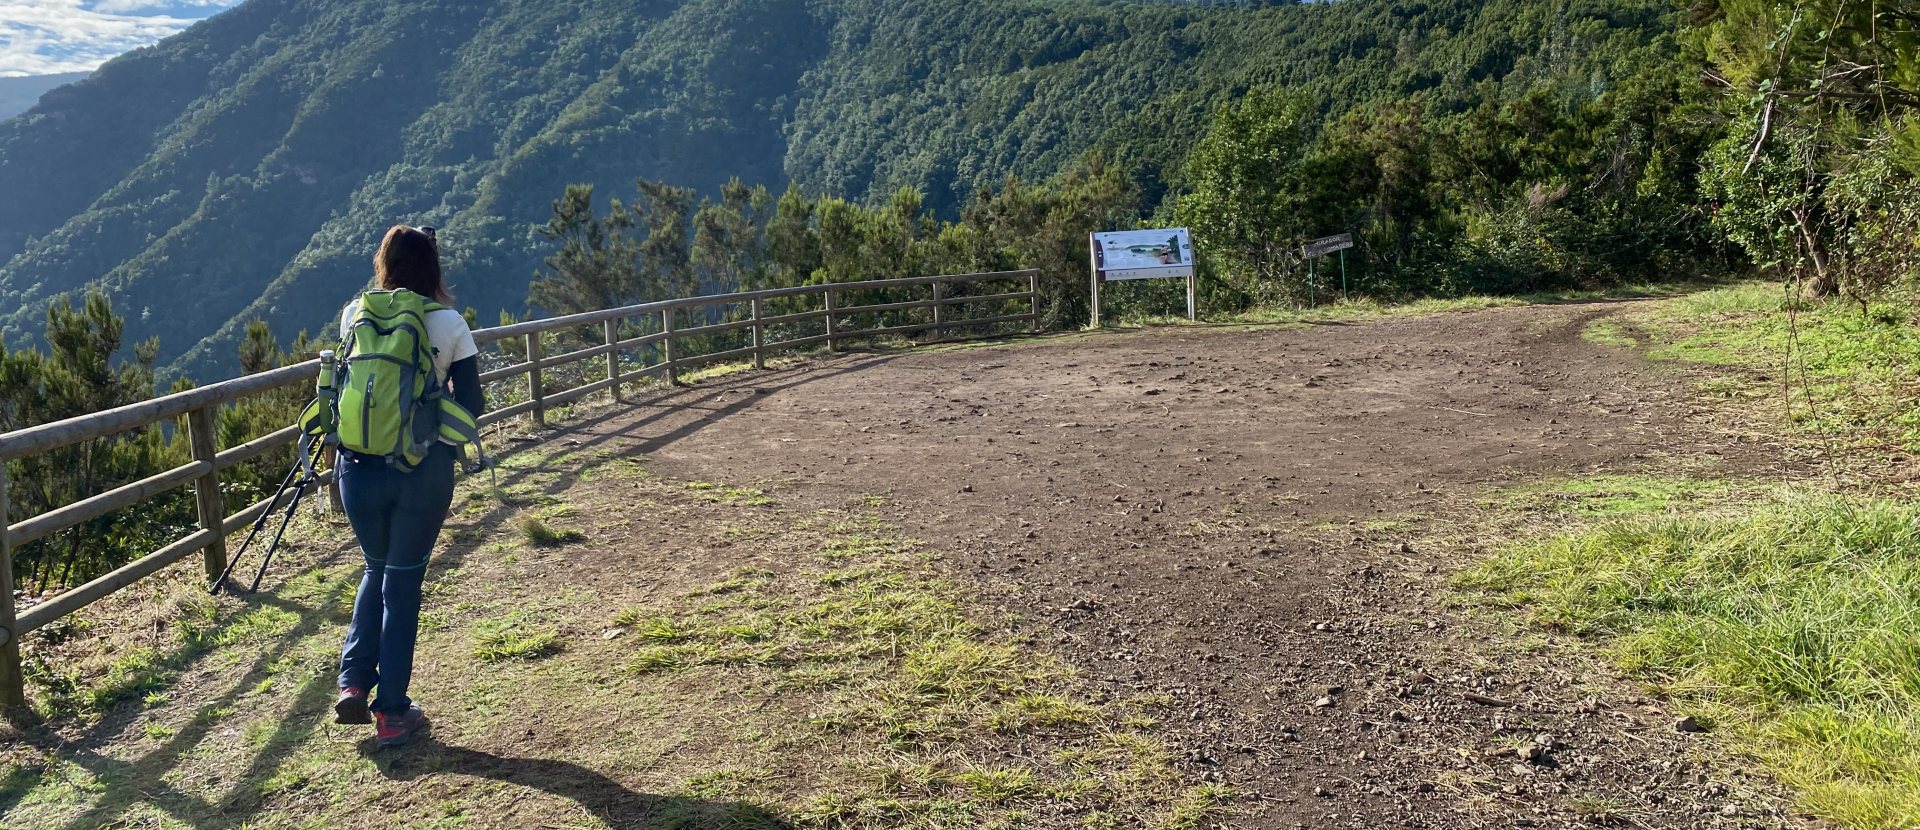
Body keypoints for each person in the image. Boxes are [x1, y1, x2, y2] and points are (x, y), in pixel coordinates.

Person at [332, 225, 484, 747]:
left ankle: (353, 682)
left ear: (385, 263)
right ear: (433, 267)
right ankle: (393, 712)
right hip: (420, 474)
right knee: (402, 584)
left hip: (355, 468)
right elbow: (471, 404)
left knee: (375, 569)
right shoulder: (449, 322)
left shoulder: (358, 313)